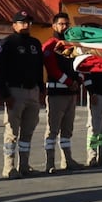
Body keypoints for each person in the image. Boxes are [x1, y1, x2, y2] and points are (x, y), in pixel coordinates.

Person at [0, 10, 45, 179]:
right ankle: (8, 167)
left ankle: (24, 165)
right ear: (14, 25)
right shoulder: (7, 43)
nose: (26, 25)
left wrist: (41, 90)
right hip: (15, 92)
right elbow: (0, 71)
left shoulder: (35, 43)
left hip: (33, 92)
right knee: (11, 132)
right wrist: (4, 94)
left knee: (28, 132)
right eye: (22, 22)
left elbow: (39, 69)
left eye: (28, 22)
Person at [42, 12, 83, 174]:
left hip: (71, 94)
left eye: (67, 24)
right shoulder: (50, 45)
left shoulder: (72, 44)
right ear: (54, 26)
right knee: (53, 129)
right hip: (56, 94)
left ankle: (68, 160)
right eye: (61, 24)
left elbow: (80, 63)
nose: (64, 27)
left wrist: (78, 81)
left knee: (67, 130)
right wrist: (69, 82)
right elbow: (51, 68)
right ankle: (49, 162)